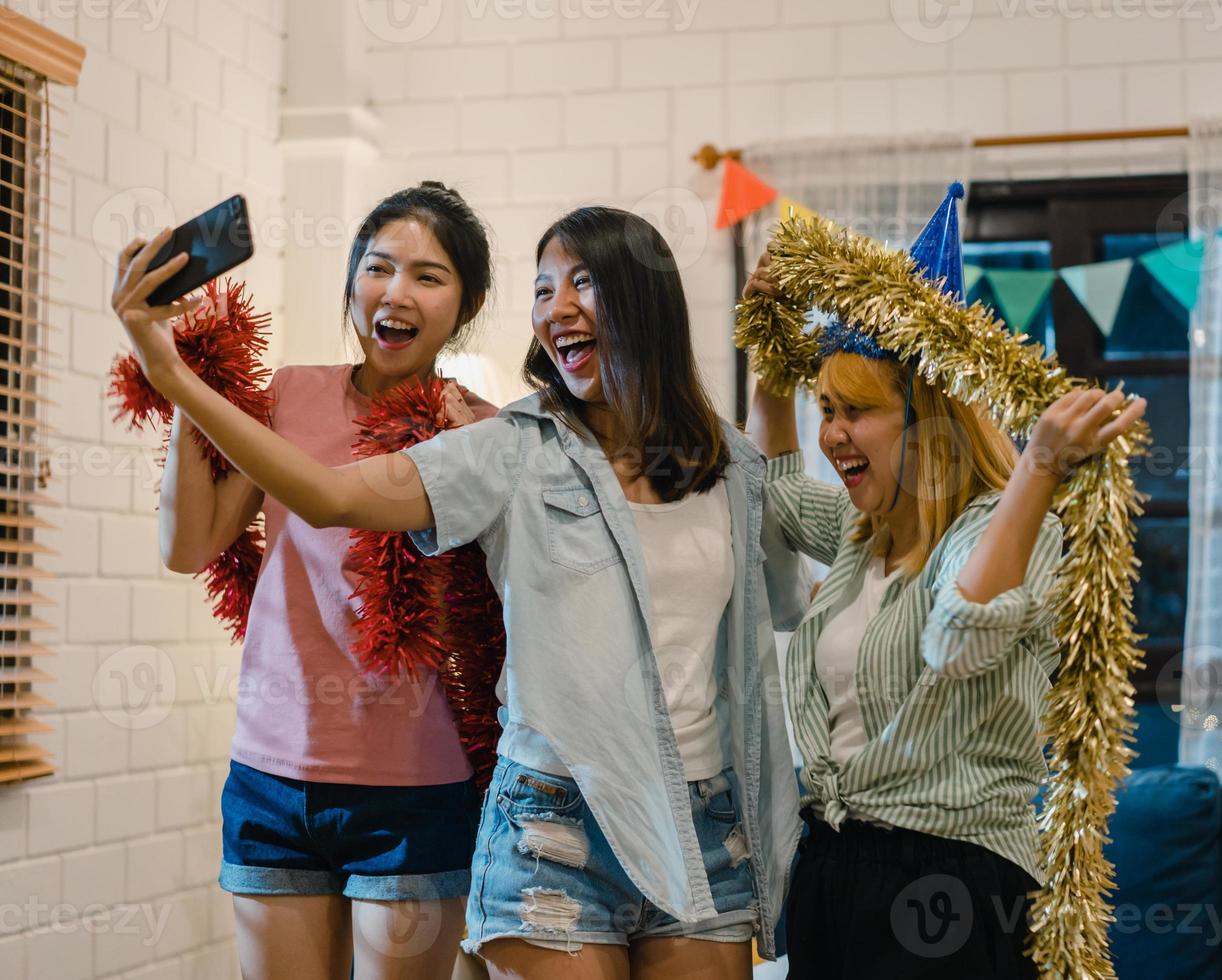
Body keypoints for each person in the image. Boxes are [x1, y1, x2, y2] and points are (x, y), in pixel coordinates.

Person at [114, 205, 807, 980]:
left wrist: (777, 370)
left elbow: (783, 584)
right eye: (544, 289)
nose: (559, 307)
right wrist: (177, 374)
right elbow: (275, 515)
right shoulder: (503, 443)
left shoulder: (689, 460)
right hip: (453, 803)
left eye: (585, 282)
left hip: (592, 805)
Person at [740, 187, 1146, 978]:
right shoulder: (864, 539)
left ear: (927, 417)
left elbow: (958, 636)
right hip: (833, 873)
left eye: (855, 410)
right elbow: (774, 495)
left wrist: (1040, 466)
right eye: (825, 408)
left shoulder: (1010, 531)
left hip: (951, 889)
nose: (831, 434)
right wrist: (773, 351)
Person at [148, 181, 497, 980]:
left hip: (416, 781)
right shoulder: (288, 396)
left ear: (466, 303)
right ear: (350, 284)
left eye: (429, 276)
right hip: (272, 777)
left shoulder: (479, 430)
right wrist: (185, 385)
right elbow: (191, 543)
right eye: (378, 268)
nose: (396, 292)